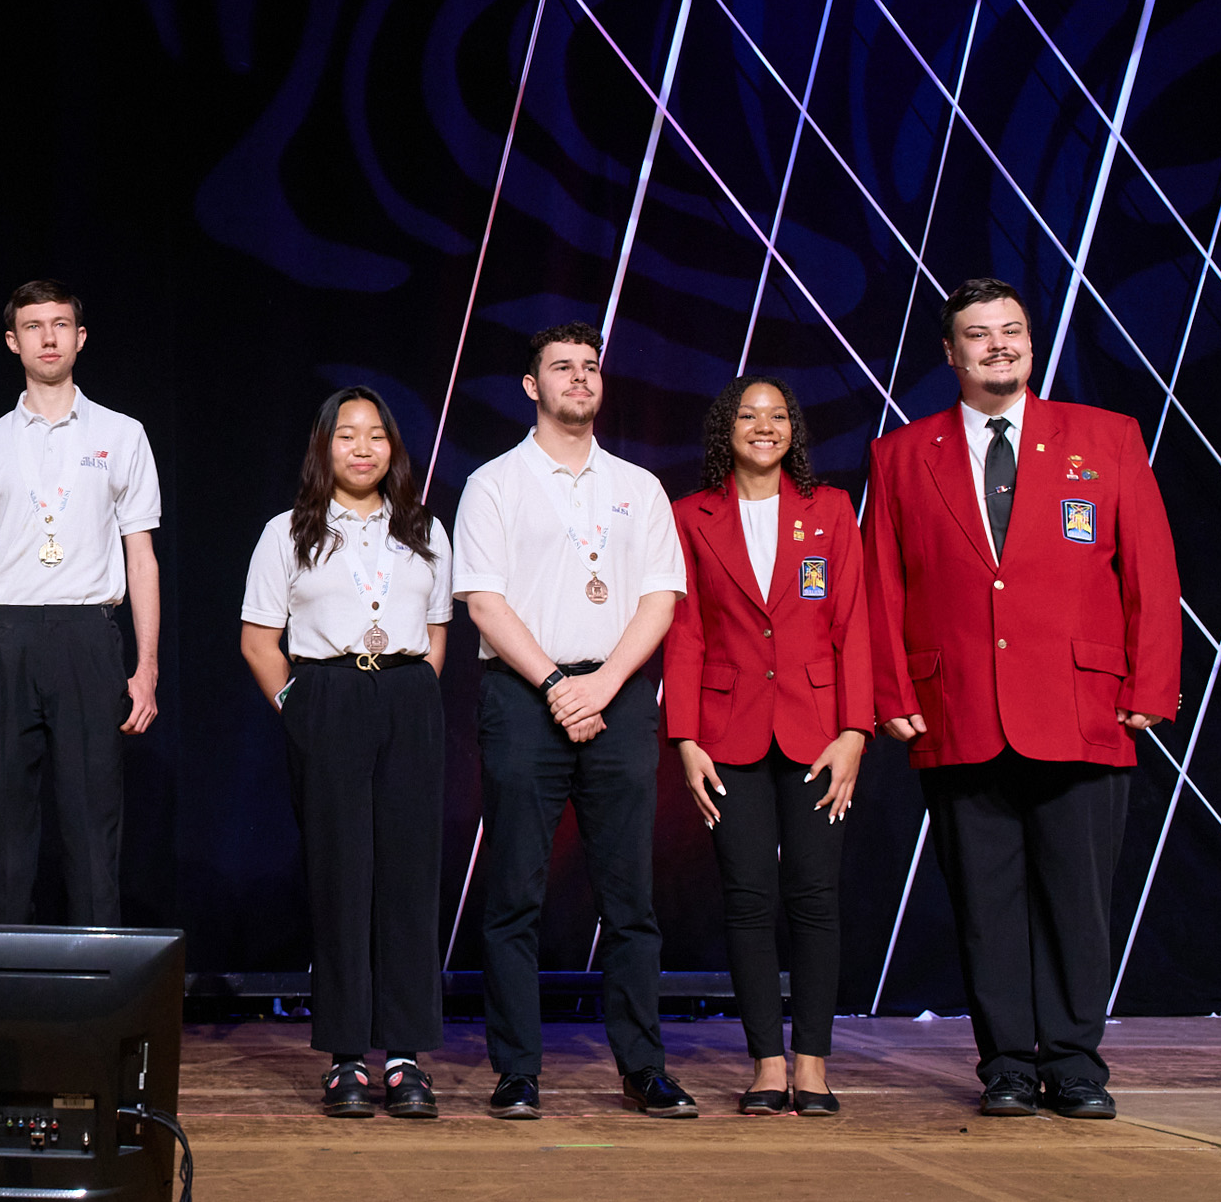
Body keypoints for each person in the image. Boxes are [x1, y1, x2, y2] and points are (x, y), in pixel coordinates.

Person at [864, 276, 1179, 1120]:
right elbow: (880, 583)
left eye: (1012, 329)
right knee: (984, 900)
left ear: (1030, 341)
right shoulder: (902, 453)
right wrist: (890, 688)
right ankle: (1005, 1062)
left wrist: (1151, 682)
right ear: (950, 350)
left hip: (1084, 705)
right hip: (956, 704)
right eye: (979, 333)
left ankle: (1075, 1064)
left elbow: (1149, 567)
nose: (998, 344)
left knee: (1077, 901)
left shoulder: (1106, 438)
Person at [454, 320, 692, 1119]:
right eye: (562, 368)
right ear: (532, 386)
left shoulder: (638, 485)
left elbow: (661, 597)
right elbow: (483, 600)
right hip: (525, 697)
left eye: (590, 368)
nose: (580, 380)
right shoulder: (494, 483)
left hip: (618, 697)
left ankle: (643, 1067)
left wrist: (605, 683)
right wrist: (558, 681)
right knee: (515, 894)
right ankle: (517, 1070)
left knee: (630, 899)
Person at [239, 386, 454, 1119]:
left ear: (393, 448)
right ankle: (344, 1060)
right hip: (326, 696)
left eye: (376, 437)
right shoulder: (288, 533)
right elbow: (258, 641)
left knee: (408, 879)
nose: (362, 448)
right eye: (346, 436)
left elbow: (437, 628)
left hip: (405, 696)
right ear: (323, 448)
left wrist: (416, 692)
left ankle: (404, 1057)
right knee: (341, 879)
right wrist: (300, 710)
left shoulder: (423, 529)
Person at [664, 375, 871, 1117]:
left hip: (819, 732)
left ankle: (812, 1065)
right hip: (728, 734)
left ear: (794, 431)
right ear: (727, 429)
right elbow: (684, 633)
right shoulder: (689, 516)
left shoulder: (832, 511)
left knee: (815, 897)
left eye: (778, 415)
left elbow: (853, 624)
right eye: (748, 414)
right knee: (748, 899)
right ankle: (765, 1064)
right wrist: (684, 736)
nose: (764, 426)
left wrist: (855, 731)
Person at [0, 279, 161, 927]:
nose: (48, 337)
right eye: (34, 326)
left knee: (93, 826)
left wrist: (146, 665)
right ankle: (10, 1008)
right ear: (13, 341)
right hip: (5, 638)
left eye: (61, 325)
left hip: (88, 636)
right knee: (6, 832)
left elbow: (142, 557)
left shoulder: (122, 435)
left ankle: (96, 1012)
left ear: (80, 338)